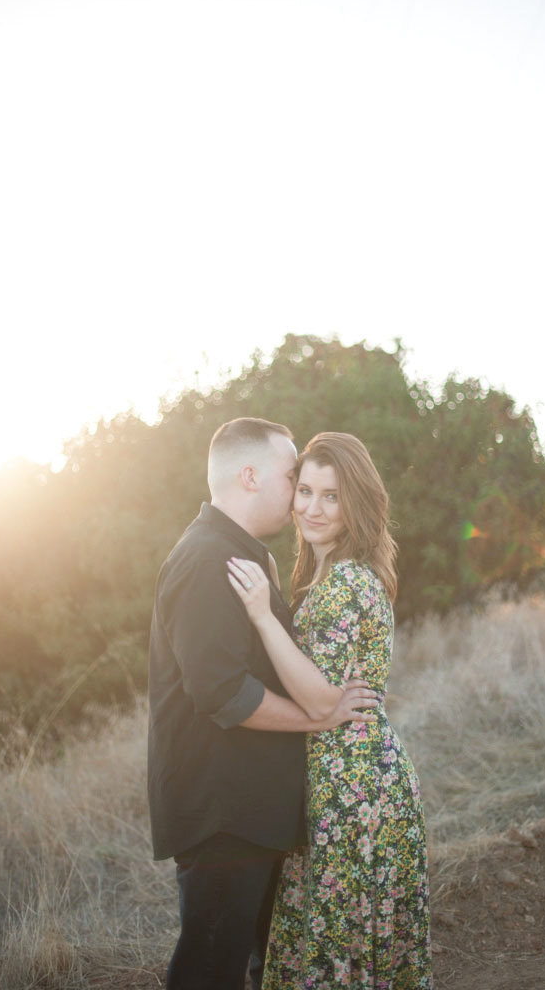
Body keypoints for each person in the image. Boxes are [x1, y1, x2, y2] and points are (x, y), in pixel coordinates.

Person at [147, 417, 380, 990]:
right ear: (249, 476)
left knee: (250, 966)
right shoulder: (208, 560)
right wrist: (318, 717)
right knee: (209, 970)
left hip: (247, 809)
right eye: (290, 475)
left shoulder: (239, 553)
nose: (297, 491)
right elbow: (222, 691)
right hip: (223, 811)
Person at [228, 431, 433, 989]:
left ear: (355, 504)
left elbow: (321, 701)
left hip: (356, 791)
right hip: (343, 781)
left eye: (332, 496)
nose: (312, 508)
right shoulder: (324, 577)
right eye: (306, 491)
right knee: (341, 946)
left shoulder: (344, 581)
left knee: (338, 947)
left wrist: (263, 617)